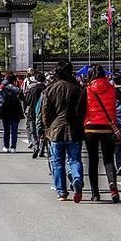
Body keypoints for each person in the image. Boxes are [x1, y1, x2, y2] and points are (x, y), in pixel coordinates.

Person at [41, 61, 85, 203]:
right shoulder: (78, 88)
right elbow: (83, 110)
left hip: (55, 130)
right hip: (74, 129)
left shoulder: (50, 89)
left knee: (58, 162)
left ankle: (62, 192)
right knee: (75, 159)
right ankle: (77, 178)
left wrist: (47, 127)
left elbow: (45, 112)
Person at [81, 64, 120, 203]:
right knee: (109, 159)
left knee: (93, 160)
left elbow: (81, 109)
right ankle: (113, 186)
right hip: (107, 127)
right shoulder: (111, 88)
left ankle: (95, 193)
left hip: (90, 128)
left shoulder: (87, 89)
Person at [0, 72, 24, 153]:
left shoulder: (2, 88)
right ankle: (13, 147)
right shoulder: (17, 89)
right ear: (14, 80)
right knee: (14, 130)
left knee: (6, 130)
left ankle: (6, 146)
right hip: (15, 110)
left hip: (5, 109)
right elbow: (23, 98)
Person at [25, 72, 46, 157]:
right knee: (43, 131)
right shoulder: (47, 89)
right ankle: (42, 148)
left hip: (32, 111)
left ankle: (35, 145)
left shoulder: (32, 89)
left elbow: (27, 101)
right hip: (43, 112)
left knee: (33, 130)